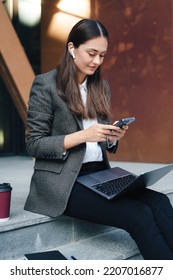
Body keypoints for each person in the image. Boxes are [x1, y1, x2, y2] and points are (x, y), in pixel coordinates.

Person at [24, 18, 173, 260]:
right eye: (92, 53)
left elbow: (99, 141)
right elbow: (34, 144)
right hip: (64, 182)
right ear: (72, 48)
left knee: (159, 202)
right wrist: (83, 135)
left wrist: (112, 137)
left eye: (102, 55)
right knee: (138, 214)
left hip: (99, 175)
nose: (97, 61)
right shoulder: (46, 85)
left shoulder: (100, 87)